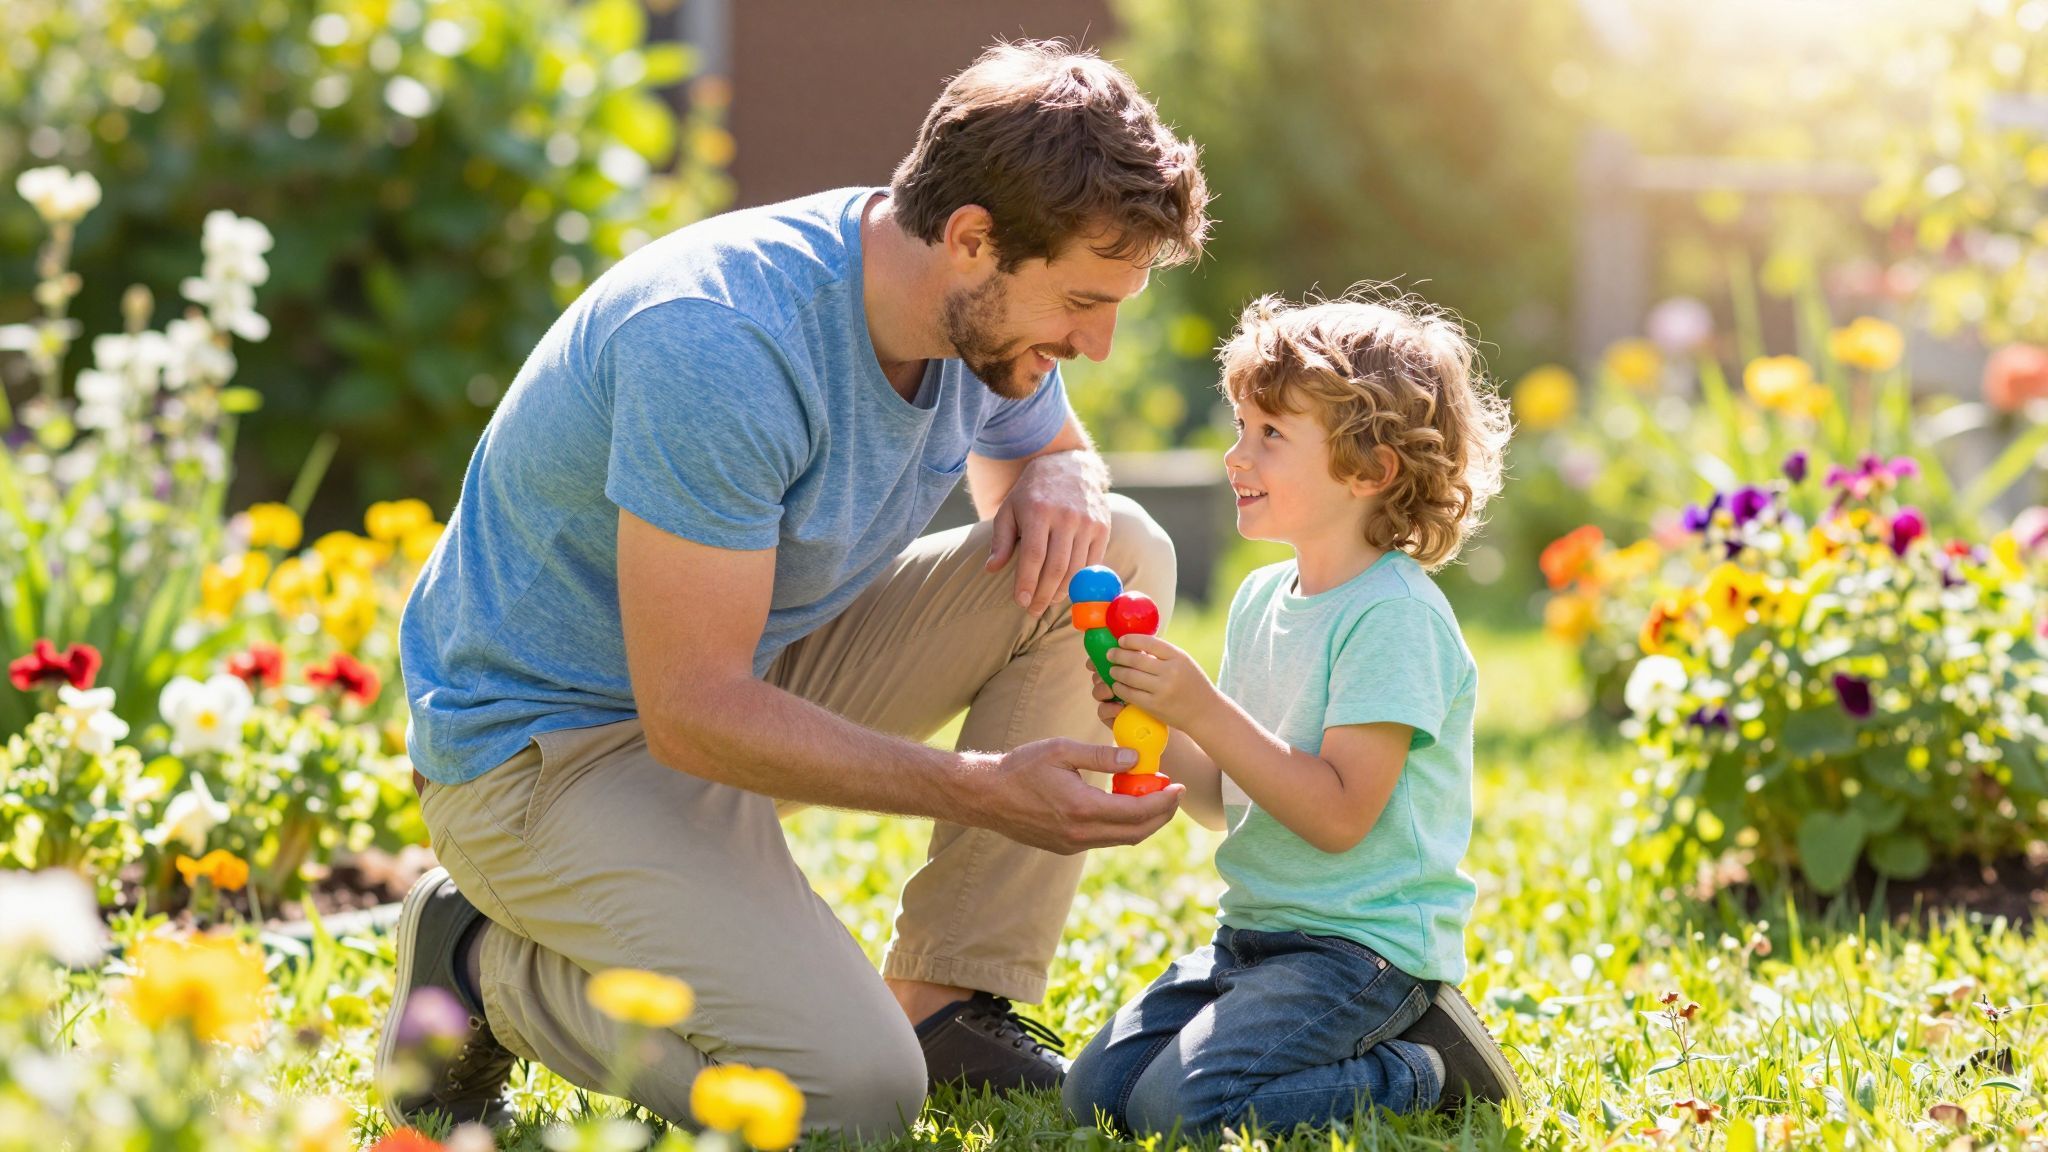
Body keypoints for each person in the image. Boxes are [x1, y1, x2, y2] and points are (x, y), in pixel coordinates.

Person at [375, 41, 1210, 1138]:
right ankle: (480, 965)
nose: (1094, 345)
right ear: (970, 240)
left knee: (1115, 553)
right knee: (846, 1097)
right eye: (1082, 302)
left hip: (742, 668)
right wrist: (980, 786)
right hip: (549, 750)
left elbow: (1043, 445)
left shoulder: (974, 311)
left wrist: (1059, 464)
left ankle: (947, 1002)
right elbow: (691, 712)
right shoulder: (718, 341)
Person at [1061, 292, 1520, 1136]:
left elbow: (1339, 815)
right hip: (1255, 938)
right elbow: (1223, 798)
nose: (1238, 455)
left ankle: (1423, 1067)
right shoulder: (1261, 597)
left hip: (1361, 954)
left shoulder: (1395, 617)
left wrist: (1205, 704)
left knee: (1182, 1110)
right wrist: (1153, 723)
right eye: (1240, 427)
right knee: (1098, 1090)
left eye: (1271, 435)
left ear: (1369, 471)